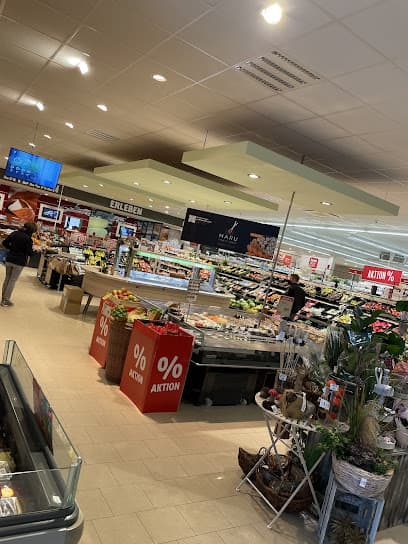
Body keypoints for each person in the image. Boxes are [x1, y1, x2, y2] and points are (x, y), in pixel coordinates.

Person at [1, 222, 37, 307]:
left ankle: (3, 298)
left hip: (9, 259)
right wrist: (36, 251)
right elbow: (29, 253)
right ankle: (5, 300)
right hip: (19, 262)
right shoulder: (28, 239)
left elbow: (4, 243)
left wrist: (12, 248)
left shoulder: (15, 233)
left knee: (7, 279)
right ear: (31, 231)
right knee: (12, 280)